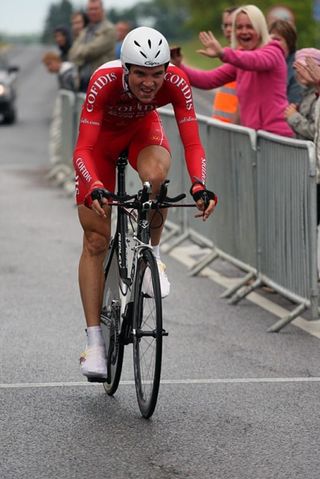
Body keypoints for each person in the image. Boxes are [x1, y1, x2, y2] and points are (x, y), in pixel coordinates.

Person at [73, 26, 217, 380]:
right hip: (100, 146)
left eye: (157, 74)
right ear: (126, 69)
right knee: (95, 240)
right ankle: (94, 343)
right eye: (140, 74)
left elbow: (193, 143)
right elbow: (83, 149)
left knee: (156, 179)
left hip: (140, 131)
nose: (150, 83)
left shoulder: (176, 82)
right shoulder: (104, 81)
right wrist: (93, 185)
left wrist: (200, 186)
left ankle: (152, 254)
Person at [171, 5, 294, 137]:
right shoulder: (240, 58)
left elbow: (255, 60)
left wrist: (223, 53)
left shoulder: (273, 51)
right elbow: (208, 80)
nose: (244, 31)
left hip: (276, 137)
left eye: (250, 26)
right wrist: (179, 67)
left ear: (260, 28)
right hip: (253, 136)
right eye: (239, 27)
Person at [68, 0, 116, 92]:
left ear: (102, 10)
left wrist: (80, 51)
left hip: (101, 83)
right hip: (83, 81)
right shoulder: (86, 30)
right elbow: (71, 53)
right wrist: (81, 51)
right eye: (90, 9)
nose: (93, 12)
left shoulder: (109, 30)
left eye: (95, 9)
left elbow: (91, 51)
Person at [42, 51, 78, 169]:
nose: (49, 68)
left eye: (49, 64)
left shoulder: (68, 73)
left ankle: (61, 164)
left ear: (56, 61)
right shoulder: (64, 73)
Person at [284, 48, 320, 140]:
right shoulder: (305, 94)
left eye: (306, 67)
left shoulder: (316, 98)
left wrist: (294, 118)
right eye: (297, 68)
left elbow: (315, 132)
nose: (300, 72)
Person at [211, 6, 239, 123]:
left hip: (235, 132)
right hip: (222, 129)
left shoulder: (246, 58)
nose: (228, 29)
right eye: (225, 25)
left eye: (231, 25)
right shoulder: (229, 55)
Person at [269, 19, 302, 104]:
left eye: (277, 39)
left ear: (289, 42)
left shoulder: (296, 68)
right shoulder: (265, 63)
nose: (271, 43)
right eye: (269, 39)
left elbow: (293, 104)